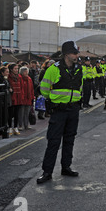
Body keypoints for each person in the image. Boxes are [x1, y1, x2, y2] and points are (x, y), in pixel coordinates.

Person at [37, 41, 83, 184]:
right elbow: (43, 89)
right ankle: (47, 172)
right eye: (74, 53)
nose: (77, 55)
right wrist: (53, 100)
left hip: (73, 109)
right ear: (66, 54)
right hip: (59, 110)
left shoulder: (78, 68)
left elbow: (79, 87)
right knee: (54, 141)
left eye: (77, 53)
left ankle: (66, 167)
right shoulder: (53, 69)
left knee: (70, 139)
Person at [7, 63, 23, 135]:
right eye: (15, 69)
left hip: (18, 96)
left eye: (17, 68)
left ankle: (15, 127)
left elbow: (22, 87)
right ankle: (10, 127)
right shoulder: (8, 77)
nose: (17, 70)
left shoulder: (19, 76)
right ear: (11, 69)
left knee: (16, 113)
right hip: (11, 97)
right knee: (10, 113)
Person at [18, 66, 35, 130]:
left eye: (27, 71)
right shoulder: (20, 78)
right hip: (22, 97)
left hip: (28, 98)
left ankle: (26, 124)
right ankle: (20, 125)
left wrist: (32, 96)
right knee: (21, 113)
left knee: (27, 113)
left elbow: (31, 88)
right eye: (25, 71)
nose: (26, 72)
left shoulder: (29, 79)